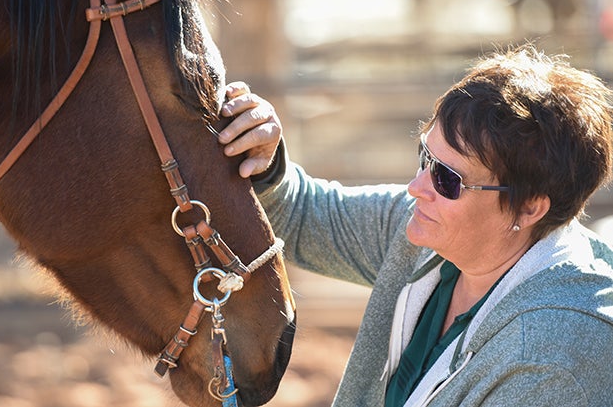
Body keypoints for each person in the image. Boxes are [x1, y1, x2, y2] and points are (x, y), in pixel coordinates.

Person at [217, 45, 613, 406]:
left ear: (529, 208)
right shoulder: (429, 228)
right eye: (425, 156)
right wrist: (262, 160)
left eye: (447, 179)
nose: (416, 187)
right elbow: (301, 215)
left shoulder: (555, 361)